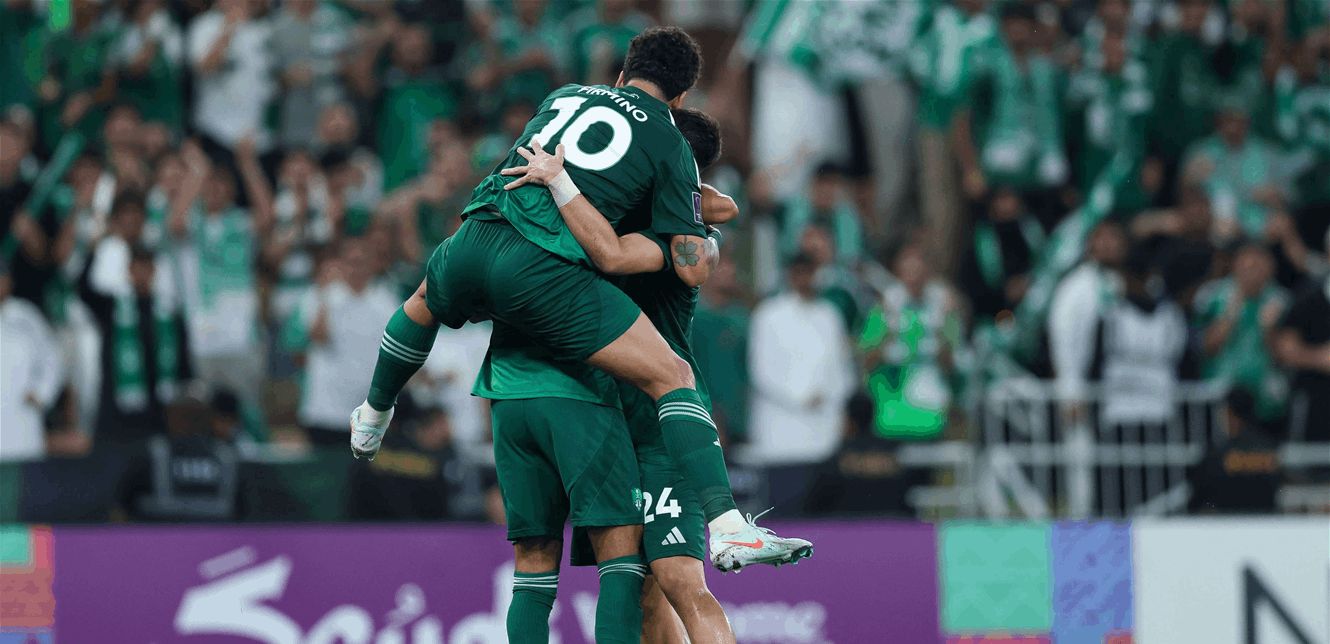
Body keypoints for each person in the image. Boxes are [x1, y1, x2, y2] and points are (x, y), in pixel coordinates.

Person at [349, 26, 809, 574]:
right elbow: (680, 252)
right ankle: (730, 528)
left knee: (422, 303)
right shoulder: (668, 142)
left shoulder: (563, 95)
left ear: (623, 72)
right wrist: (695, 233)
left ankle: (373, 414)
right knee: (674, 375)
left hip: (477, 232)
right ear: (682, 95)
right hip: (542, 269)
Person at [504, 106, 745, 644]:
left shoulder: (683, 233)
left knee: (681, 581)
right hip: (604, 420)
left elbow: (713, 209)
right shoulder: (626, 206)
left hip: (664, 424)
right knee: (641, 593)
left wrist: (563, 180)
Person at [747, 253, 854, 484]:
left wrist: (836, 402)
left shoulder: (829, 315)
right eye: (799, 273)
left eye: (810, 273)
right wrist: (801, 397)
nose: (805, 279)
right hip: (781, 436)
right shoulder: (769, 314)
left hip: (825, 433)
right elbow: (762, 371)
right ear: (789, 276)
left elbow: (841, 369)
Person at [0, 261, 63, 461]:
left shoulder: (26, 316)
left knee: (24, 475)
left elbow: (52, 357)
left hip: (22, 419)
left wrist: (42, 393)